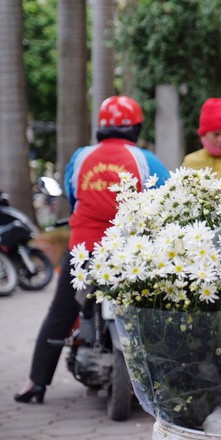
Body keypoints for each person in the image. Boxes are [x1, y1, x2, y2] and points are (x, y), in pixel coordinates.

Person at [14, 96, 170, 404]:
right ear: (136, 128)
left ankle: (35, 382)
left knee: (61, 312)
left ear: (100, 127)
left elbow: (73, 198)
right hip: (131, 255)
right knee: (153, 312)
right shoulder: (146, 160)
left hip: (84, 251)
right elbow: (163, 203)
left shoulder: (82, 157)